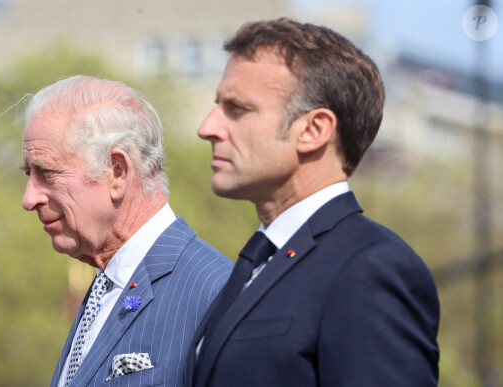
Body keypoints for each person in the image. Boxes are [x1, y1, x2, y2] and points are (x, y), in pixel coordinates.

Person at [185, 18, 440, 387]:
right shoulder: (260, 261)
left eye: (236, 109)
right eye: (217, 105)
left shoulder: (368, 269)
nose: (207, 127)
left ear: (314, 130)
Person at [20, 75, 233, 386]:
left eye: (47, 172)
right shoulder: (104, 287)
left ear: (117, 172)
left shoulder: (215, 293)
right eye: (29, 174)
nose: (29, 199)